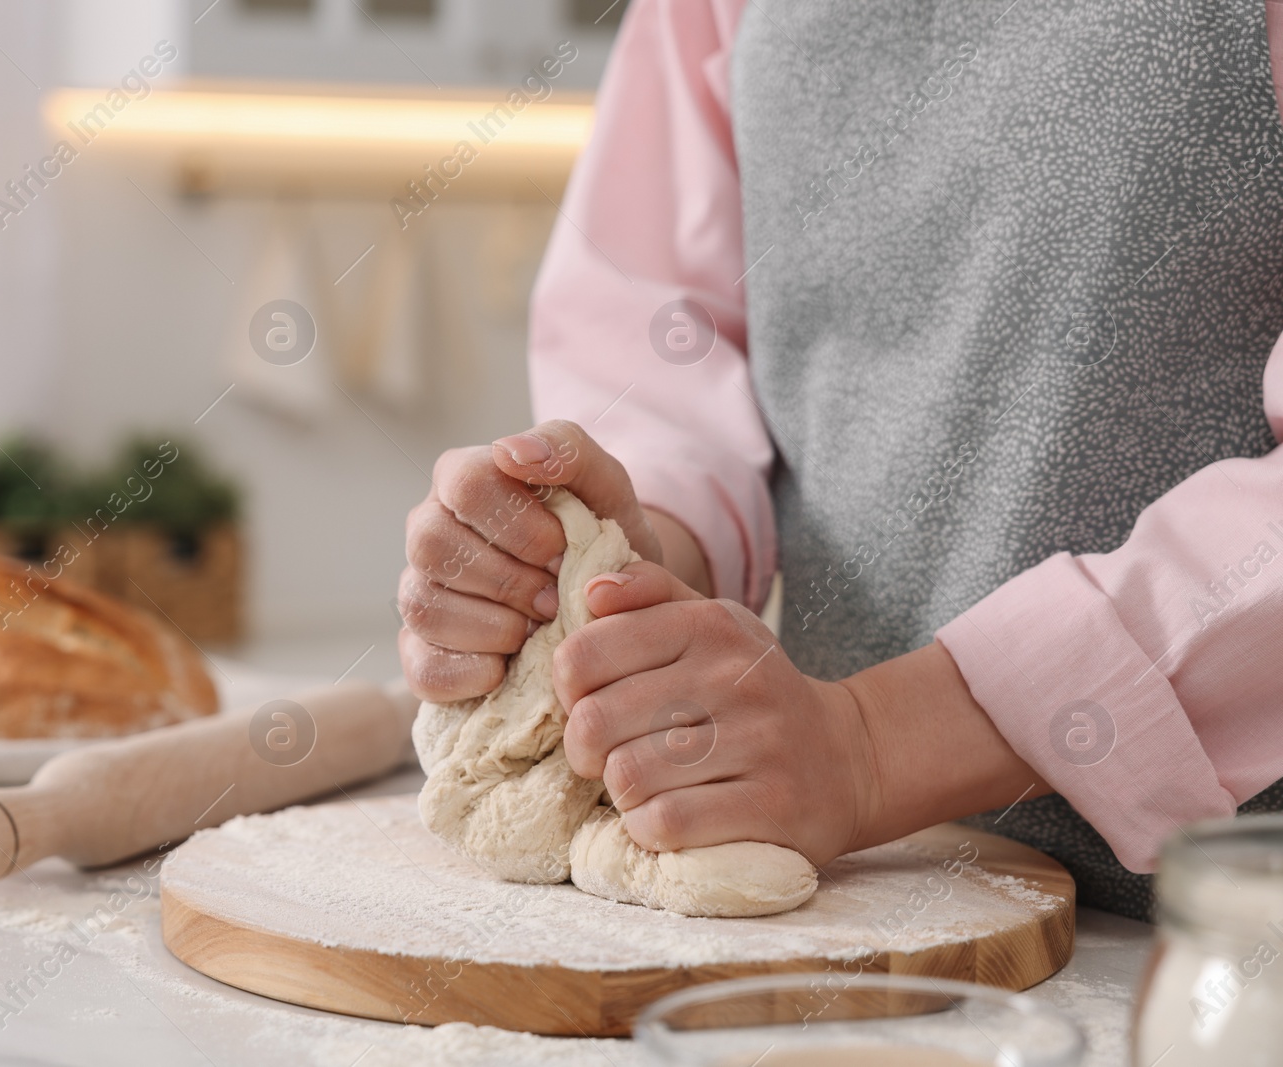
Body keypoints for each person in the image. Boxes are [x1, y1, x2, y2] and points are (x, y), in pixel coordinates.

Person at [397, 0, 1283, 921]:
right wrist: (611, 571)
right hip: (864, 918)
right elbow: (662, 333)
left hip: (1225, 952)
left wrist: (873, 746)